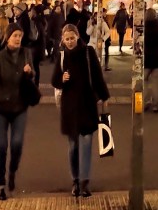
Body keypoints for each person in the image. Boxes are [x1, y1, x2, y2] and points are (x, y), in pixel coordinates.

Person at [52, 24, 110, 197]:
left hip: (87, 104)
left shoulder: (88, 52)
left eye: (72, 38)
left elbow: (97, 76)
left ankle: (85, 182)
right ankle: (75, 180)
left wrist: (104, 97)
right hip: (69, 107)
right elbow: (55, 80)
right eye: (67, 39)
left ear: (78, 36)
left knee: (86, 145)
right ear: (63, 40)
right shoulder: (62, 56)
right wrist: (61, 78)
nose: (70, 42)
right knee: (73, 147)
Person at [0, 26, 36, 201]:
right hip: (1, 108)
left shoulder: (26, 54)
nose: (18, 39)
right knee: (1, 146)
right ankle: (0, 184)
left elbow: (33, 77)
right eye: (14, 36)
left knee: (16, 143)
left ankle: (12, 171)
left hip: (20, 106)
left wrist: (30, 73)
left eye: (20, 36)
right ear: (7, 38)